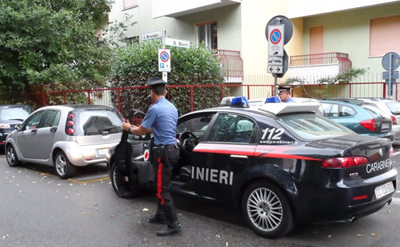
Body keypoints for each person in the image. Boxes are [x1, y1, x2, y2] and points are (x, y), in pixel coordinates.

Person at [122, 77, 181, 237]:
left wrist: (128, 128)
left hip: (163, 154)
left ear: (152, 93)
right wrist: (136, 127)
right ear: (165, 92)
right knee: (161, 185)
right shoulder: (172, 107)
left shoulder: (154, 109)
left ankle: (174, 225)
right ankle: (161, 215)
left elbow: (141, 131)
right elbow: (152, 128)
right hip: (173, 150)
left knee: (163, 190)